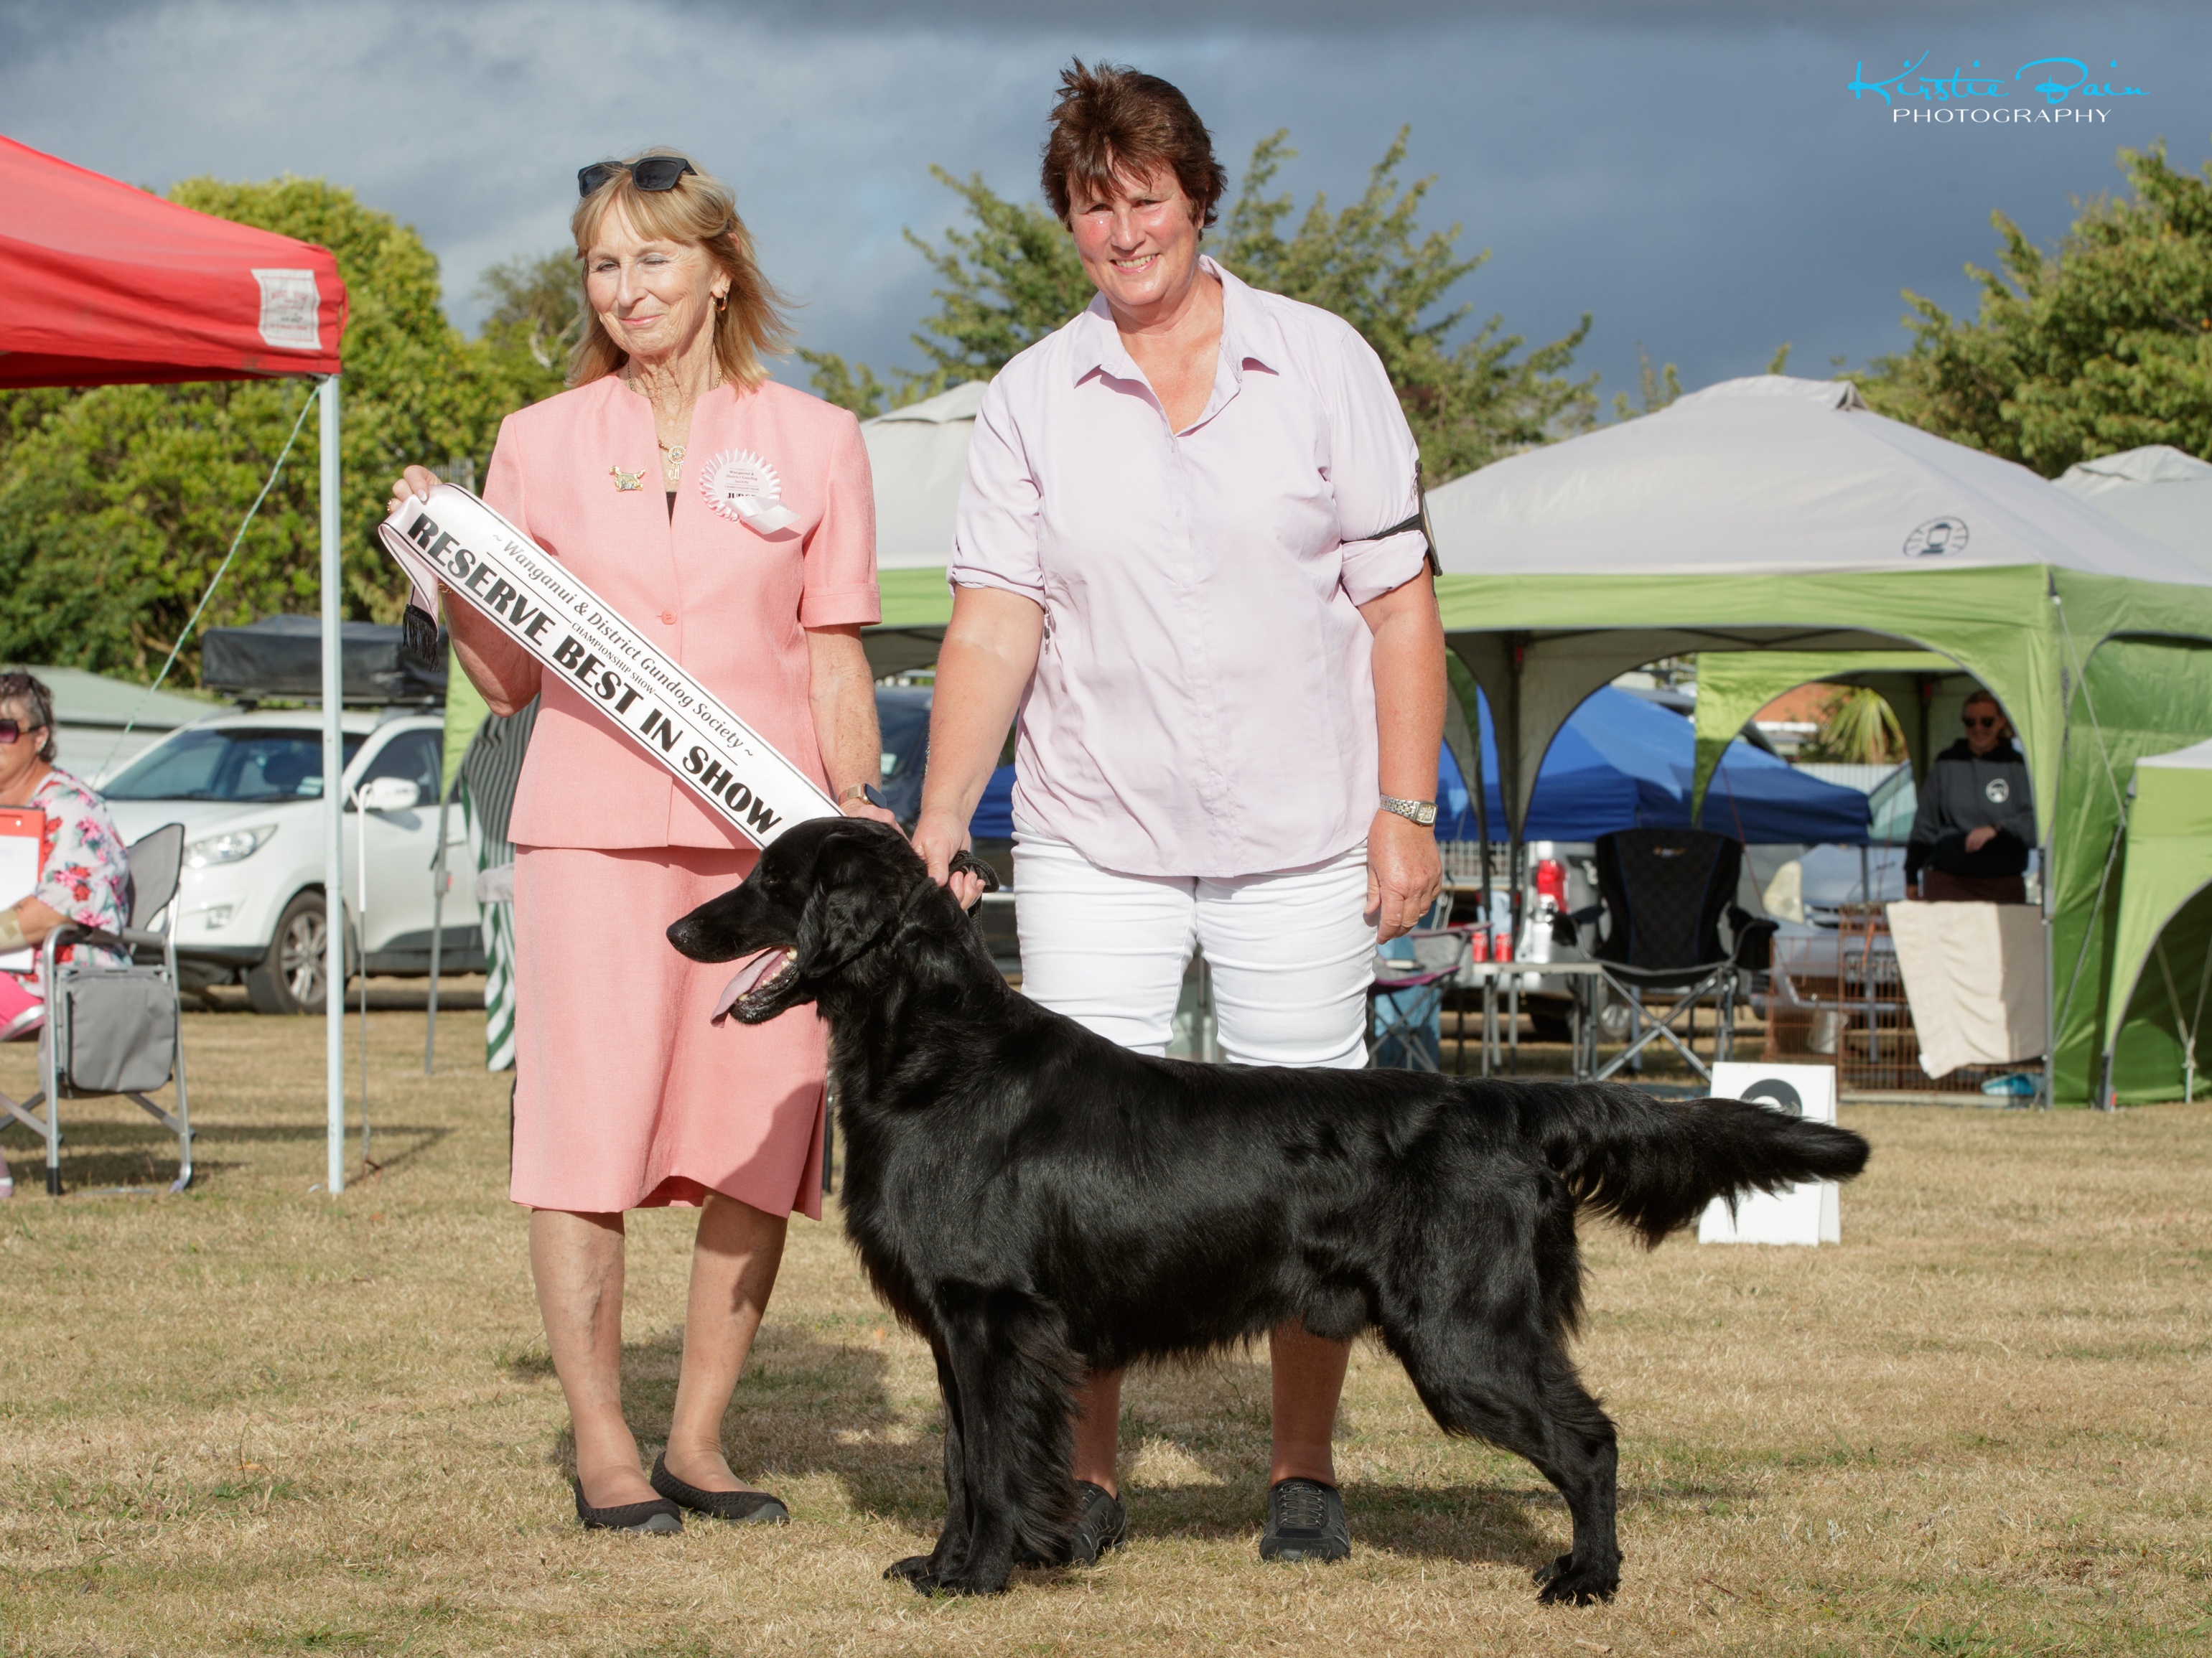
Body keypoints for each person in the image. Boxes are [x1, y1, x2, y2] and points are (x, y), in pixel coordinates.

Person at [910, 62, 1447, 1568]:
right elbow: (994, 624)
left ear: (1199, 199)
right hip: (1096, 836)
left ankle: (1303, 1473)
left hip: (1305, 836)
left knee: (1315, 1167)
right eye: (1093, 206)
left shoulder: (1322, 360)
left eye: (1144, 198)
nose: (1122, 230)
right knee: (1077, 1178)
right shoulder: (1030, 396)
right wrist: (942, 817)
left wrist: (1404, 806)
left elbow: (1399, 604)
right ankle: (1085, 1482)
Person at [389, 150, 892, 1534]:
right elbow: (506, 683)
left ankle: (700, 1442)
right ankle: (604, 1447)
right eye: (603, 264)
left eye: (653, 258)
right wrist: (443, 565)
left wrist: (862, 816)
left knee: (757, 1139)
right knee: (582, 1140)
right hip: (586, 840)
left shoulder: (819, 438)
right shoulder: (536, 438)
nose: (626, 288)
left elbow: (832, 652)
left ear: (720, 268)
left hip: (768, 845)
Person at [0, 670, 134, 1199]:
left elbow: (57, 909)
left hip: (65, 972)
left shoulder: (74, 808)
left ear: (40, 737)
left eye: (4, 729)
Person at [1905, 690, 2035, 903]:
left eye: (1986, 721)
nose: (1978, 729)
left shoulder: (2016, 765)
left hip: (2002, 882)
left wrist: (1995, 829)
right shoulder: (1947, 762)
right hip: (1948, 880)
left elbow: (2032, 821)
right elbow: (1925, 823)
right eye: (1970, 722)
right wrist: (1911, 874)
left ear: (2001, 722)